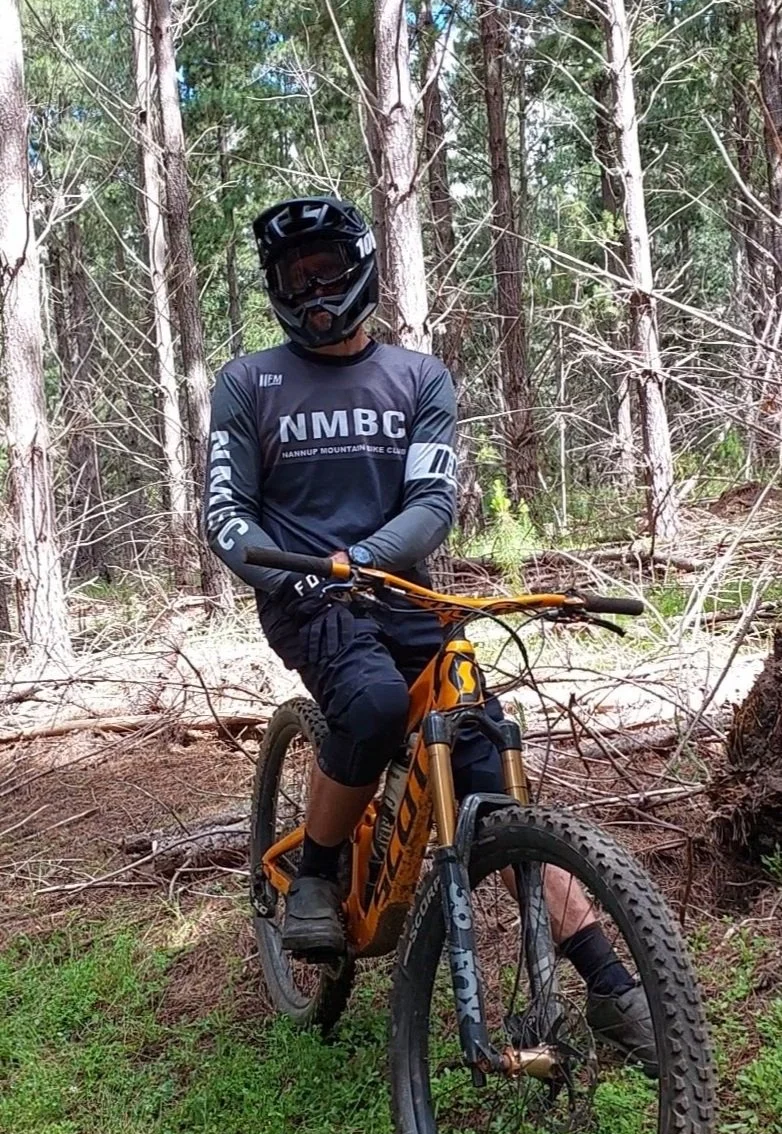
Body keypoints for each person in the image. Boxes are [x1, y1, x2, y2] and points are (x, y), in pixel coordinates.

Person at [204, 194, 656, 1071]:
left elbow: (433, 501)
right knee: (371, 703)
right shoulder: (247, 382)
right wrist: (286, 567)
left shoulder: (418, 377)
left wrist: (370, 558)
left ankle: (608, 979)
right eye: (295, 274)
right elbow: (224, 512)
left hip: (406, 595)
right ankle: (317, 872)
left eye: (326, 267)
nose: (314, 287)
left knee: (487, 757)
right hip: (308, 600)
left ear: (360, 265)